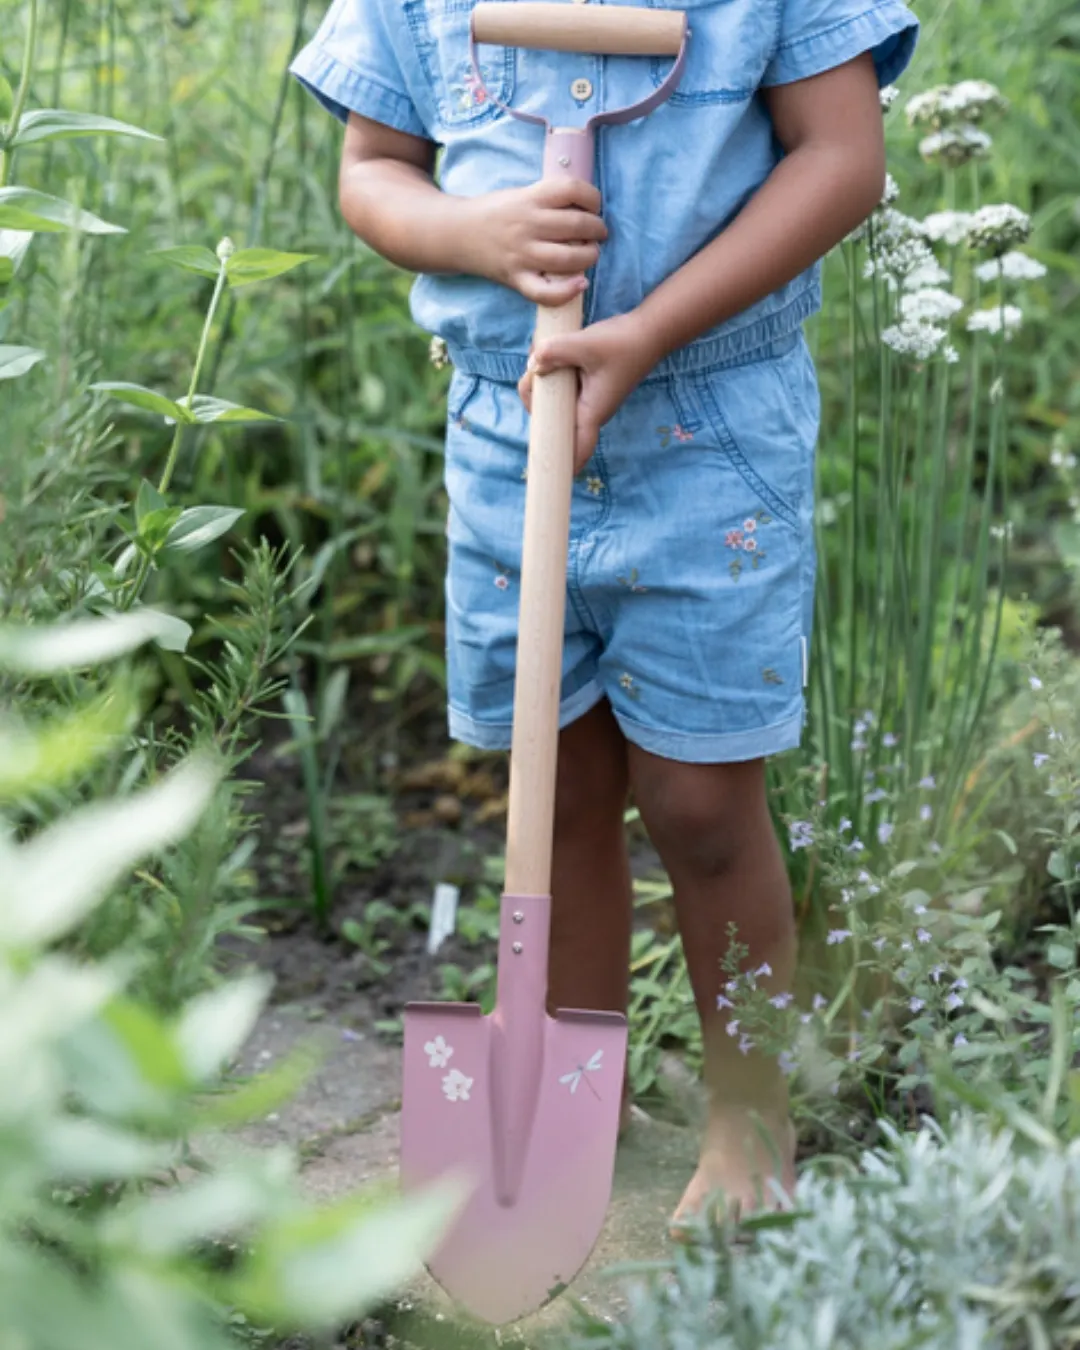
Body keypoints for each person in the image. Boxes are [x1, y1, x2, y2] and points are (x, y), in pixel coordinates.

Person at [291, 0, 918, 1233]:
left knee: (701, 802)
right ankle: (575, 1096)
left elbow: (845, 159)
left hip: (710, 429)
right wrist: (470, 231)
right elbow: (372, 174)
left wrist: (644, 330)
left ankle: (750, 1112)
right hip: (504, 429)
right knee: (556, 782)